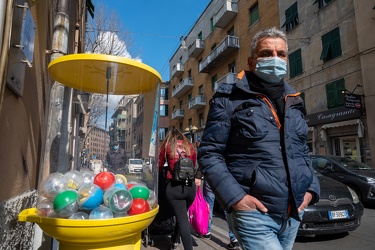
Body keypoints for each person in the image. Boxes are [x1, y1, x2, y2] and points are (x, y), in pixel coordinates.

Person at [197, 27, 320, 250]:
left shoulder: (295, 101)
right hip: (254, 214)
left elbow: (302, 151)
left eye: (281, 54)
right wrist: (236, 199)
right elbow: (209, 153)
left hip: (293, 213)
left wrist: (311, 190)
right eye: (266, 53)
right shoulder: (228, 98)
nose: (275, 58)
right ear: (252, 62)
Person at [158, 128, 201, 250]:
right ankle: (175, 241)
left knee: (182, 220)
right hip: (190, 188)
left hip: (174, 187)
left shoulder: (167, 146)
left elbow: (159, 165)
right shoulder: (189, 146)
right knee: (181, 215)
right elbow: (193, 164)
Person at [201, 180, 240, 250]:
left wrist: (198, 176)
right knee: (228, 209)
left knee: (208, 205)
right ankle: (234, 239)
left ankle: (207, 231)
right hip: (226, 179)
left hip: (211, 176)